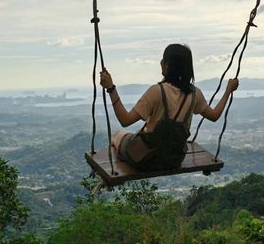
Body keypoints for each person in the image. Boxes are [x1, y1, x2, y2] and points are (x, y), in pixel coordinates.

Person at [99, 43, 239, 170]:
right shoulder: (195, 93)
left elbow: (125, 120)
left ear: (166, 65)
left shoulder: (156, 91)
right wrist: (228, 91)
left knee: (118, 135)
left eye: (162, 60)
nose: (160, 63)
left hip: (146, 160)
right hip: (174, 160)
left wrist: (111, 88)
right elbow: (214, 116)